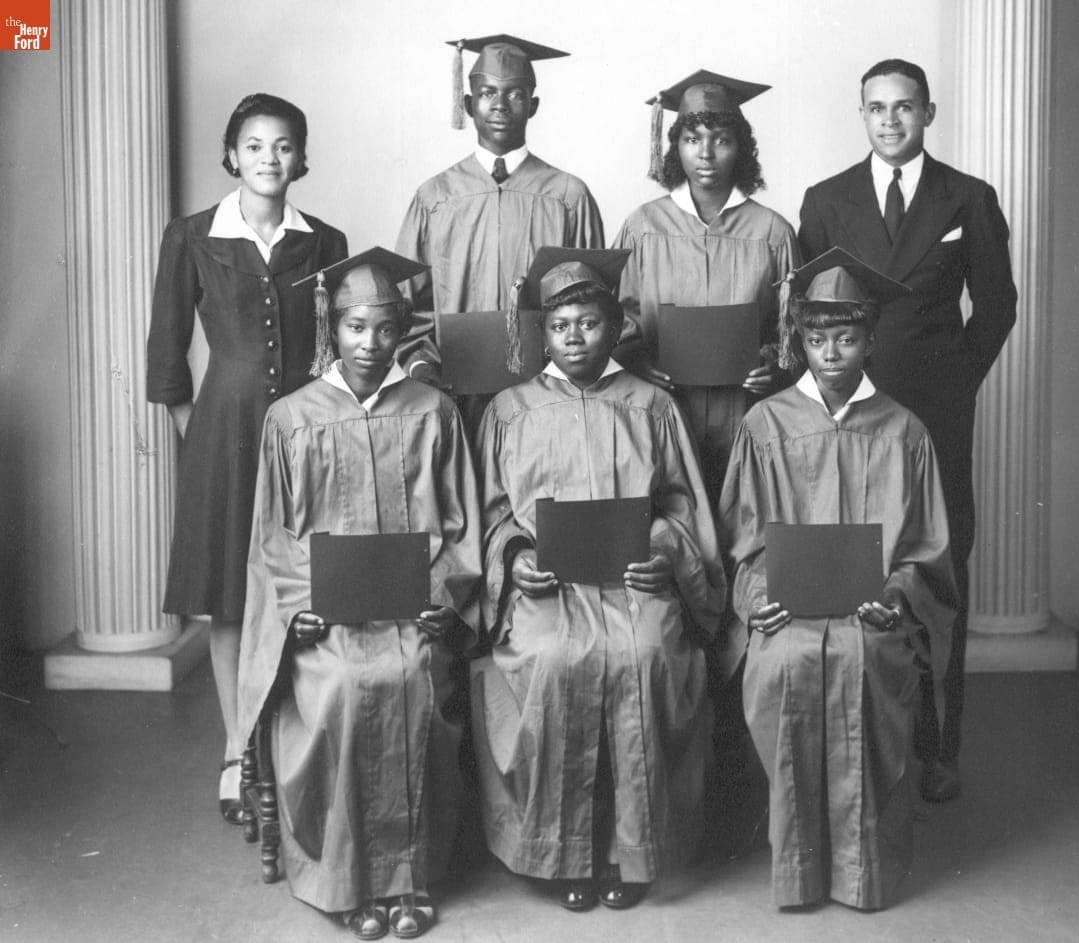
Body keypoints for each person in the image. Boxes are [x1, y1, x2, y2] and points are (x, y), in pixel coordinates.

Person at [236, 248, 482, 940]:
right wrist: (297, 607)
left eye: (384, 329)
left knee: (412, 678)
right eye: (355, 327)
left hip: (412, 614)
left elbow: (462, 524)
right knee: (344, 684)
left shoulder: (434, 411)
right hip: (329, 620)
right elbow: (272, 537)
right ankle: (346, 880)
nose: (370, 344)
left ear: (402, 331)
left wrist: (444, 595)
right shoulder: (291, 418)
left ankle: (408, 878)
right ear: (332, 328)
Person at [471, 248, 725, 913]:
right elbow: (492, 514)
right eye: (560, 327)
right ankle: (564, 851)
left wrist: (664, 551)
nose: (575, 338)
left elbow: (682, 504)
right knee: (554, 659)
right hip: (549, 589)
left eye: (589, 323)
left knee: (645, 654)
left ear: (614, 327)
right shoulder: (509, 409)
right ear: (542, 333)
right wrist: (514, 559)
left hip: (635, 582)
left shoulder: (652, 404)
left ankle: (632, 849)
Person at [797, 59, 1017, 802]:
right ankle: (854, 743)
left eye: (904, 107)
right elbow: (808, 314)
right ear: (861, 114)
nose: (890, 120)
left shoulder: (968, 197)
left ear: (928, 113)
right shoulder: (825, 200)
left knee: (936, 570)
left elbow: (997, 306)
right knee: (856, 560)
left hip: (933, 413)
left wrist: (955, 381)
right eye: (877, 108)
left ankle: (937, 747)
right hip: (850, 411)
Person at [719, 248, 958, 911]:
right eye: (817, 338)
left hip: (870, 613)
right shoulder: (764, 424)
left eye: (847, 338)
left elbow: (926, 548)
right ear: (799, 340)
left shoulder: (904, 430)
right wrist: (758, 598)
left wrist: (896, 597)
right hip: (787, 612)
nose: (830, 353)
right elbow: (744, 538)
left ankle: (861, 871)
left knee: (863, 659)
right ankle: (798, 870)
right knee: (786, 661)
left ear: (870, 340)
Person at [145, 92, 347, 825]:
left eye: (284, 145)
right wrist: (194, 430)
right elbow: (166, 348)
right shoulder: (192, 236)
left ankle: (295, 739)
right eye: (255, 145)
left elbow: (339, 344)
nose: (269, 158)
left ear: (301, 157)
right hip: (223, 437)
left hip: (306, 437)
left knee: (304, 588)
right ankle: (237, 750)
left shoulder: (325, 240)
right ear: (232, 155)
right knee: (230, 595)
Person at [614, 70, 798, 507]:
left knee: (744, 519)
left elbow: (793, 327)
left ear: (741, 148)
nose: (706, 153)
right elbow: (615, 315)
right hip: (663, 408)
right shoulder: (643, 226)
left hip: (746, 412)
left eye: (722, 140)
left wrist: (773, 365)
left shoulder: (772, 232)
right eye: (692, 139)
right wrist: (637, 361)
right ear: (675, 146)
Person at [394, 34, 605, 394]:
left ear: (533, 106)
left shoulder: (569, 196)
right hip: (451, 387)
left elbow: (596, 300)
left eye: (515, 94)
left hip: (548, 390)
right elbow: (405, 303)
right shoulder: (435, 197)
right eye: (487, 93)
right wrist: (420, 364)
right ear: (467, 103)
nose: (500, 105)